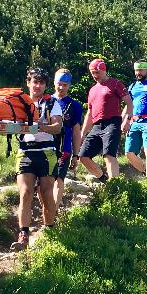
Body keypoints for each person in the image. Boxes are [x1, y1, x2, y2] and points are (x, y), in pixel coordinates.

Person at [13, 67, 63, 250]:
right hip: (25, 150)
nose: (37, 86)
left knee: (46, 192)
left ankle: (50, 231)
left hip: (47, 152)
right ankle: (23, 235)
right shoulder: (19, 103)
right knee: (25, 192)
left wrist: (40, 127)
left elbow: (57, 126)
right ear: (28, 83)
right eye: (35, 82)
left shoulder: (52, 103)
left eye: (41, 83)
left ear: (45, 86)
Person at [78, 58, 133, 182]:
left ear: (104, 70)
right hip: (97, 125)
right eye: (92, 73)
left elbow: (129, 102)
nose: (94, 75)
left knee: (108, 155)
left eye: (96, 72)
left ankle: (115, 184)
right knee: (83, 156)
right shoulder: (92, 90)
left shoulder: (115, 83)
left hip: (112, 122)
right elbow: (90, 113)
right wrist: (83, 133)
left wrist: (127, 120)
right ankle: (104, 179)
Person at [51, 68, 84, 209]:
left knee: (59, 179)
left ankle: (53, 212)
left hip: (64, 149)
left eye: (65, 85)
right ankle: (47, 210)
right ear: (54, 83)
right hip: (45, 147)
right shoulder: (46, 101)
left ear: (69, 85)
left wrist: (76, 155)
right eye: (59, 84)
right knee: (44, 181)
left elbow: (77, 131)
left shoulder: (74, 105)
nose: (61, 88)